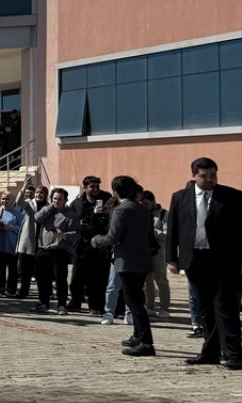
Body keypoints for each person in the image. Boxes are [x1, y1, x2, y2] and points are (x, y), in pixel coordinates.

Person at [167, 157, 242, 370]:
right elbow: (173, 229)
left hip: (224, 261)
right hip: (195, 260)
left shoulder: (232, 196)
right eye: (204, 176)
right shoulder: (180, 197)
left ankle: (235, 354)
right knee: (205, 308)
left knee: (225, 307)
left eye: (213, 175)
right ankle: (210, 352)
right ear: (194, 176)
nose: (209, 180)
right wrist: (172, 258)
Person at [88, 175, 156, 356]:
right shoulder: (142, 209)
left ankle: (147, 343)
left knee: (134, 303)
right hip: (142, 260)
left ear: (115, 191)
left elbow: (112, 237)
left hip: (127, 261)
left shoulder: (121, 210)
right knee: (135, 300)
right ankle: (137, 336)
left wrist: (96, 239)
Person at [33, 188, 82, 315]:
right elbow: (37, 218)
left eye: (60, 199)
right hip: (44, 248)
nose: (57, 201)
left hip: (60, 250)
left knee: (60, 279)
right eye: (55, 198)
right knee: (43, 279)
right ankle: (43, 303)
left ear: (66, 200)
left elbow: (77, 234)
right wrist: (49, 208)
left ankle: (61, 305)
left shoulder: (71, 215)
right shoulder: (47, 211)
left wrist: (64, 235)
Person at [69, 176, 111, 315]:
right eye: (92, 186)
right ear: (85, 187)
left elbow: (110, 220)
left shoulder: (105, 200)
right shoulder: (77, 203)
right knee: (77, 276)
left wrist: (100, 215)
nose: (95, 189)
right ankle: (75, 302)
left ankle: (95, 305)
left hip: (99, 245)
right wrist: (78, 225)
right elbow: (71, 221)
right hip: (81, 244)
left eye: (97, 186)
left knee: (96, 278)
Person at [141, 190, 170, 318]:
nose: (145, 207)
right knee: (147, 281)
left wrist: (152, 231)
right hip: (145, 251)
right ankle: (150, 306)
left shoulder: (164, 214)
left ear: (153, 202)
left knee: (161, 280)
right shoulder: (141, 213)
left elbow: (167, 234)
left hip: (158, 251)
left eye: (147, 204)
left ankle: (164, 308)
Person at [0, 192, 23, 298]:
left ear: (13, 200)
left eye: (7, 199)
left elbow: (21, 230)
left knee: (12, 270)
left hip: (12, 246)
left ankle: (11, 290)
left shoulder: (18, 214)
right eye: (3, 199)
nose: (5, 201)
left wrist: (9, 227)